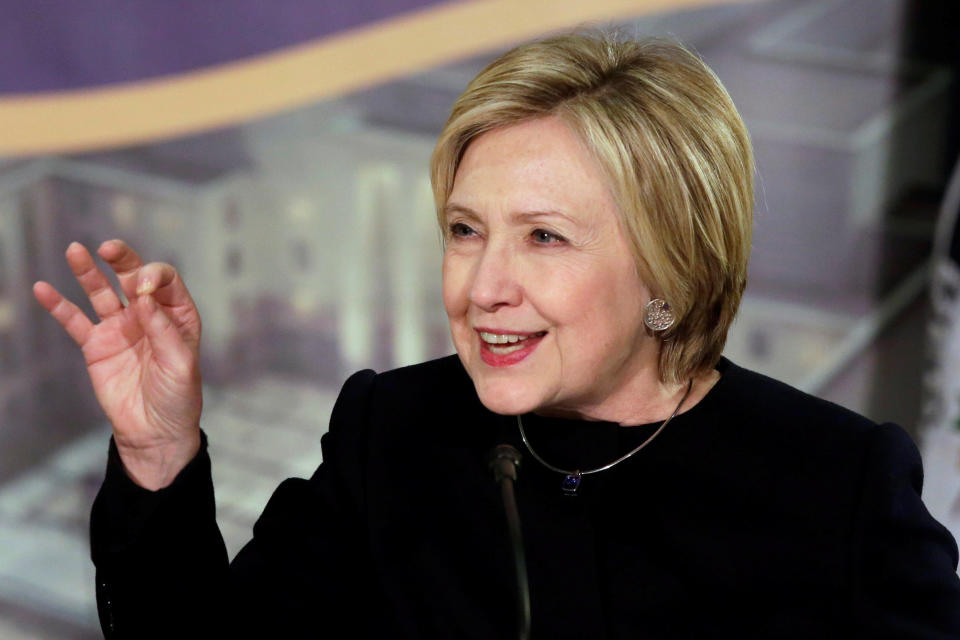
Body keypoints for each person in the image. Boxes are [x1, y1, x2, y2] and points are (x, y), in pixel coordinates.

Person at [33, 32, 960, 639]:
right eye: (466, 231)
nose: (483, 288)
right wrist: (158, 449)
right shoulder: (392, 430)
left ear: (671, 274)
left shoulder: (836, 485)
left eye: (545, 237)